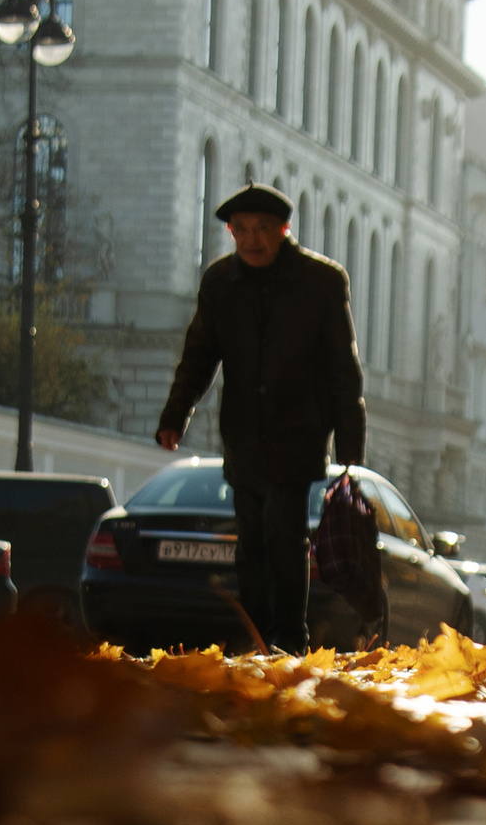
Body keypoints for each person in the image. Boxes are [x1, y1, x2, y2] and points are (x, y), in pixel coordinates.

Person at [156, 183, 364, 652]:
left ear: (284, 230)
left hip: (300, 433)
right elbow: (199, 355)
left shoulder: (322, 282)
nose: (252, 240)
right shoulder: (219, 282)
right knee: (250, 541)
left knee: (284, 533)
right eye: (242, 230)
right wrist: (175, 415)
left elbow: (342, 368)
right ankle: (256, 636)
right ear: (231, 232)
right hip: (244, 435)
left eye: (263, 230)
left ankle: (289, 638)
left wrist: (351, 451)